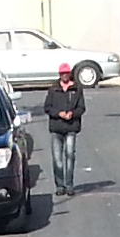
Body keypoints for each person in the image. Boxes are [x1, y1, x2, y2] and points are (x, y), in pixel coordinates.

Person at [44, 61, 86, 196]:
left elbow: (81, 108)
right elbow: (47, 107)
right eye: (63, 73)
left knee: (70, 156)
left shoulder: (77, 89)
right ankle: (59, 185)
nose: (65, 76)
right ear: (59, 74)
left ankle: (69, 185)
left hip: (71, 127)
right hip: (56, 128)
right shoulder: (53, 89)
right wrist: (59, 113)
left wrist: (72, 114)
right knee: (57, 159)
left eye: (67, 73)